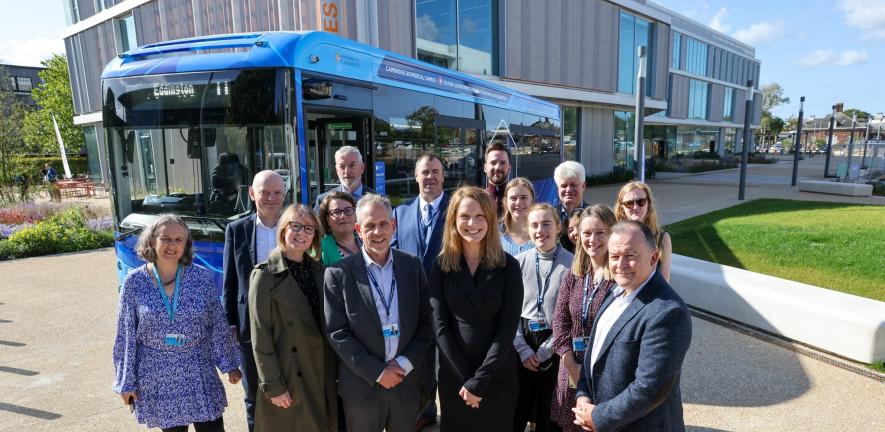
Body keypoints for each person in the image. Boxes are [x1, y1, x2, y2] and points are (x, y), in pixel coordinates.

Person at [113, 215, 242, 432]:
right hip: (158, 377)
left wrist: (229, 364)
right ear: (152, 241)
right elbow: (125, 335)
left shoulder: (200, 279)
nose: (172, 245)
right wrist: (126, 383)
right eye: (166, 238)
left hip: (198, 372)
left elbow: (217, 324)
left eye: (178, 240)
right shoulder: (134, 282)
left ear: (186, 245)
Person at [323, 194, 434, 432]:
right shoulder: (338, 275)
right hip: (362, 388)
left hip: (405, 384)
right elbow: (337, 333)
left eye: (383, 224)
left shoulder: (412, 267)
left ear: (393, 226)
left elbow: (427, 323)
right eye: (369, 226)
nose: (377, 232)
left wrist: (404, 363)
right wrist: (378, 372)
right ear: (358, 230)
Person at [573, 221, 692, 432]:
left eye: (630, 256)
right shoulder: (615, 292)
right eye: (614, 256)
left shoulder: (668, 312)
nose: (621, 264)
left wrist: (598, 417)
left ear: (654, 258)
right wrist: (583, 394)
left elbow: (649, 389)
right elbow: (594, 352)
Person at [428, 186, 523, 431]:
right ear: (454, 221)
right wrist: (468, 380)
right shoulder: (442, 266)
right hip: (455, 378)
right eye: (465, 216)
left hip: (497, 375)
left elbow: (507, 329)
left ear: (490, 220)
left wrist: (480, 380)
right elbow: (439, 326)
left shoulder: (508, 267)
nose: (473, 223)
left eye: (480, 216)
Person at [249, 204, 338, 431]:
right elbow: (260, 335)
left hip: (320, 372)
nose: (302, 233)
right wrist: (273, 385)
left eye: (309, 229)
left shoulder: (320, 271)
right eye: (296, 226)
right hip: (288, 376)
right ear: (283, 229)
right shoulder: (264, 275)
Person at [222, 170, 286, 432]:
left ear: (284, 195)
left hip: (289, 323)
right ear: (251, 193)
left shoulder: (296, 224)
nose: (271, 198)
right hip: (250, 325)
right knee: (254, 395)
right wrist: (230, 325)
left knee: (290, 388)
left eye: (277, 193)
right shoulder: (237, 229)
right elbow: (229, 281)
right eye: (264, 192)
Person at [389, 153, 449, 430]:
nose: (430, 177)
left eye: (435, 172)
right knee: (418, 359)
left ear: (443, 176)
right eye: (425, 172)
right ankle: (424, 410)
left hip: (449, 301)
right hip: (412, 303)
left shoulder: (456, 209)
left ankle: (452, 411)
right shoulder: (400, 213)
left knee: (447, 361)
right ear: (415, 177)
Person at [550, 205, 617, 432]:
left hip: (604, 376)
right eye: (587, 233)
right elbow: (559, 323)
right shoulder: (573, 275)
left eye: (601, 233)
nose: (593, 239)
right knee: (570, 425)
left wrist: (588, 377)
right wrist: (573, 367)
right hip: (570, 370)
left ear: (612, 234)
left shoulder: (620, 280)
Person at [512, 203, 575, 432]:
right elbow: (512, 309)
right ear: (528, 230)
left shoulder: (572, 264)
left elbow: (569, 315)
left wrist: (547, 349)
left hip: (555, 341)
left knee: (549, 410)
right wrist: (522, 348)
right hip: (523, 337)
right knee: (519, 405)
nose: (540, 230)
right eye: (534, 225)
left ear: (558, 227)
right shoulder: (519, 261)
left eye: (547, 223)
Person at [614, 181, 672, 281]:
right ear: (622, 208)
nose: (635, 207)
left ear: (648, 204)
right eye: (629, 203)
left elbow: (664, 281)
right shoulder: (614, 237)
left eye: (641, 202)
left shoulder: (662, 239)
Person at [315, 146, 376, 210]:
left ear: (362, 168)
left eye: (352, 165)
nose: (347, 171)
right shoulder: (323, 200)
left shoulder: (379, 201)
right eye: (342, 166)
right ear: (337, 170)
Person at [318, 191, 361, 266]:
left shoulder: (367, 240)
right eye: (337, 212)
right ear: (327, 219)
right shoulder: (320, 249)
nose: (343, 216)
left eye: (348, 210)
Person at [553, 161, 587, 253]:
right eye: (563, 186)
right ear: (558, 189)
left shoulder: (593, 215)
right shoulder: (551, 215)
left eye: (573, 185)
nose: (568, 190)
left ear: (583, 186)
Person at [499, 177, 535, 257]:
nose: (518, 203)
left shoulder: (540, 232)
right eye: (513, 198)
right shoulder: (495, 234)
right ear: (505, 201)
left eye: (524, 198)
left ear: (532, 200)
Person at [483, 143, 512, 217]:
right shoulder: (478, 199)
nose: (498, 167)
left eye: (503, 163)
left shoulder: (518, 200)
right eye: (493, 163)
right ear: (485, 168)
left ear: (509, 168)